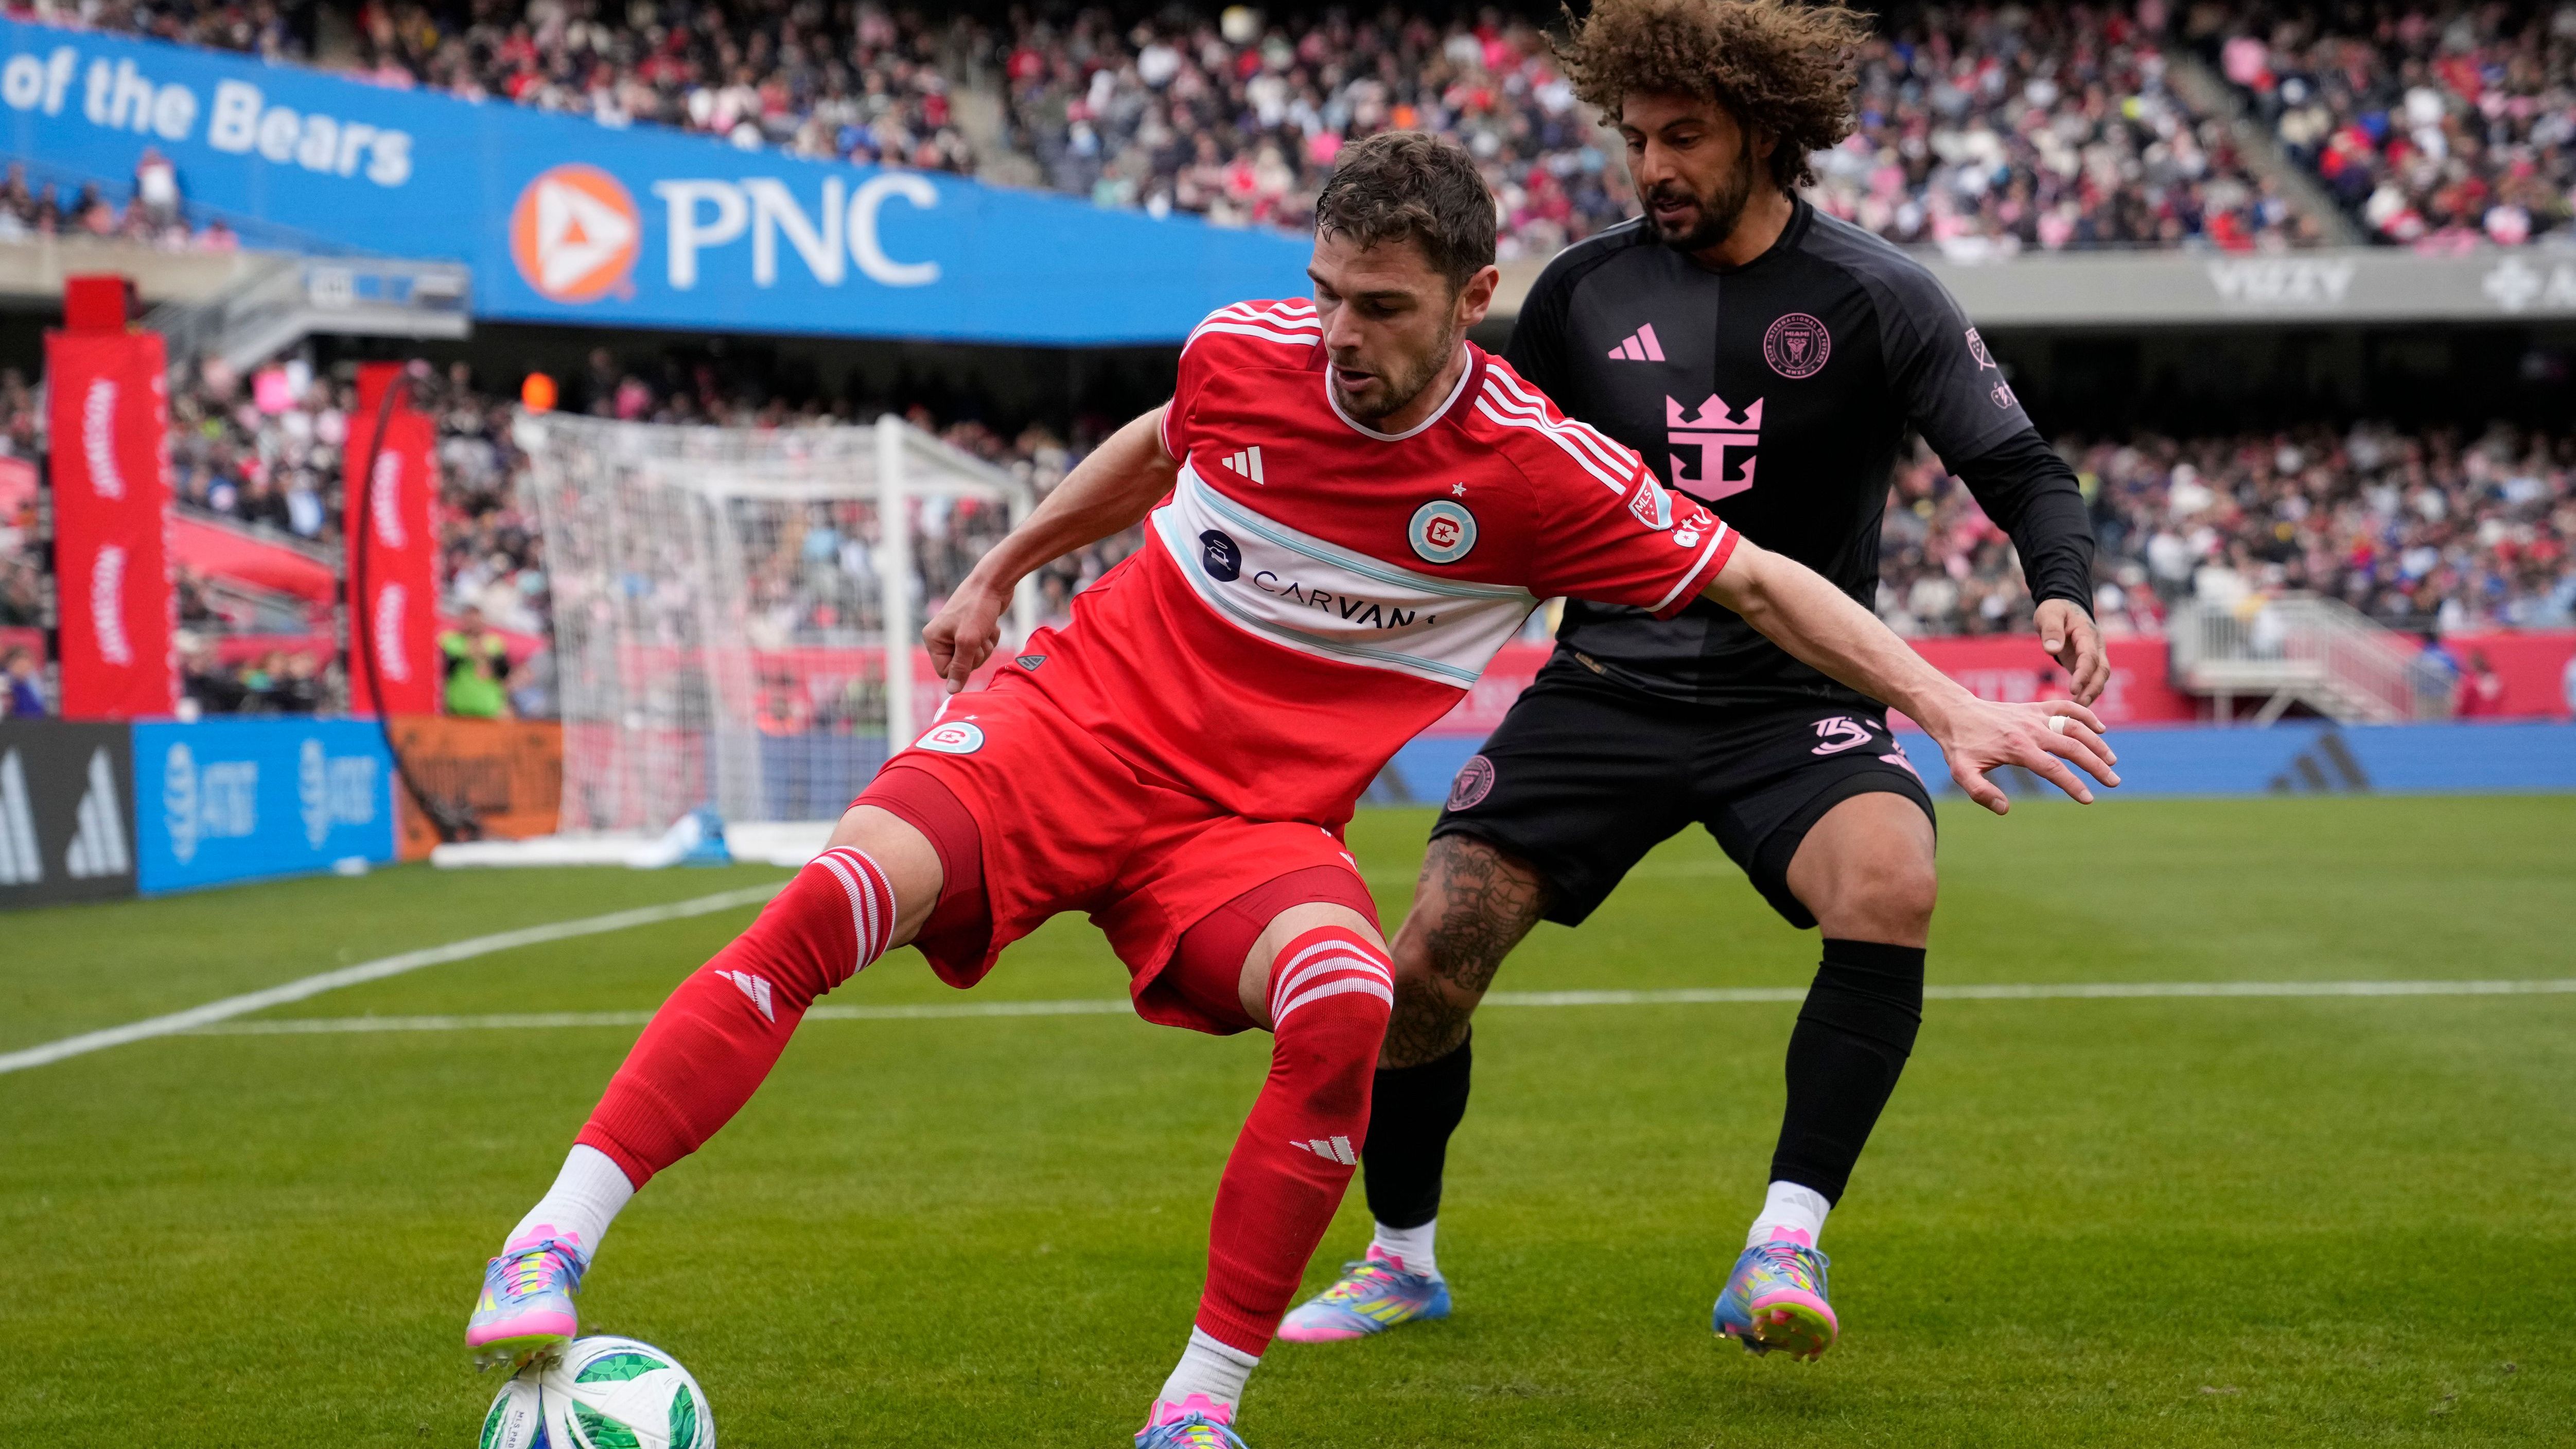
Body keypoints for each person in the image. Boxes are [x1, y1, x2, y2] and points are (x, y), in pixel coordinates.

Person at [461, 132, 2114, 1448]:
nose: (1340, 336)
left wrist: (1941, 706)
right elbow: (1162, 436)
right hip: (1067, 725)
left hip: (1246, 828)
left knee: (1350, 996)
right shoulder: (1246, 352)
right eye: (1326, 292)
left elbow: (1760, 580)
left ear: (1474, 298)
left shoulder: (1546, 473)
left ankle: (1200, 1400)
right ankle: (552, 1235)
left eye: (1382, 307)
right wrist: (1007, 562)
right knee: (833, 896)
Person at [1284, 0, 2111, 1364]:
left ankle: (1783, 1237)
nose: (1652, 167)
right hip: (1604, 679)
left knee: (1891, 877)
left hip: (1794, 701)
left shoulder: (1878, 293)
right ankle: (1400, 1256)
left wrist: (2060, 583)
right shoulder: (1580, 292)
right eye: (1636, 139)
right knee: (1420, 962)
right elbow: (1478, 473)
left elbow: (2019, 464)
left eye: (1684, 137)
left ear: (1767, 136)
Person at [440, 605, 512, 718]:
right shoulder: (451, 641)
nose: (474, 625)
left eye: (477, 621)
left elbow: (504, 673)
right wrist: (466, 655)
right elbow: (444, 670)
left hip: (489, 710)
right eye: (470, 621)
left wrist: (490, 662)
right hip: (458, 709)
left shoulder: (495, 643)